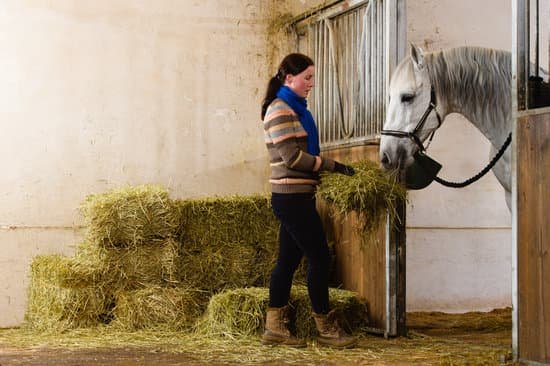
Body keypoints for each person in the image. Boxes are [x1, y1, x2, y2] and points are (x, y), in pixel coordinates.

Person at [260, 53, 357, 349]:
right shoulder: (280, 110)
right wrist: (331, 165)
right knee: (319, 258)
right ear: (289, 78)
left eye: (313, 77)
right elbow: (292, 158)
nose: (311, 84)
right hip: (291, 199)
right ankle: (325, 329)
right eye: (307, 78)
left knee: (288, 261)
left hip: (298, 196)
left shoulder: (296, 109)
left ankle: (274, 327)